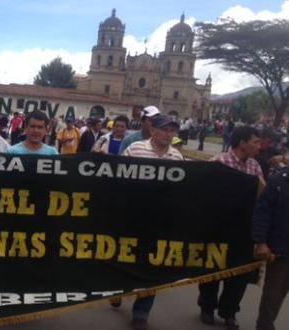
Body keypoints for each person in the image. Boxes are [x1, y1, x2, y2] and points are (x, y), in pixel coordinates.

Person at [198, 126, 264, 330]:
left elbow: (263, 195)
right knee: (212, 269)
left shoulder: (255, 167)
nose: (259, 147)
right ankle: (207, 308)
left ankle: (229, 311)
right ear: (242, 143)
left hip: (244, 230)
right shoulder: (218, 163)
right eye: (255, 142)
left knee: (238, 274)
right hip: (218, 227)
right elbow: (203, 193)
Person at [122, 115, 184, 330]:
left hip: (160, 221)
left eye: (172, 131)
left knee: (152, 265)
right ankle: (119, 290)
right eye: (165, 130)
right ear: (154, 130)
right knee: (126, 259)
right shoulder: (135, 149)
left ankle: (141, 313)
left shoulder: (177, 157)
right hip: (133, 217)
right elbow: (119, 177)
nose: (169, 134)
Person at [253, 167, 289, 330]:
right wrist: (261, 242)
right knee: (274, 293)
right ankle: (264, 325)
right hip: (281, 251)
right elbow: (263, 212)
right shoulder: (278, 181)